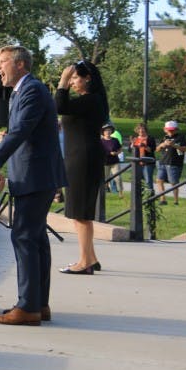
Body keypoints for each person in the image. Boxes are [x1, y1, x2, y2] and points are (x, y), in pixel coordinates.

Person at [0, 45, 65, 325]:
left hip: (35, 175)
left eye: (2, 62)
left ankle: (28, 307)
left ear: (20, 64)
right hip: (34, 174)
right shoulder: (22, 91)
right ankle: (38, 303)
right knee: (35, 239)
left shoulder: (31, 89)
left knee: (24, 237)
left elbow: (22, 130)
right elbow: (23, 132)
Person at [54, 59, 109, 275]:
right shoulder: (87, 101)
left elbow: (59, 105)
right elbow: (61, 106)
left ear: (88, 78)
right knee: (80, 212)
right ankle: (91, 258)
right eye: (72, 77)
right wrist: (65, 83)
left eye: (77, 77)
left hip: (84, 159)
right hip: (80, 158)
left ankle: (84, 262)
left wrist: (62, 81)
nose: (73, 81)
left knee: (81, 214)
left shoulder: (92, 100)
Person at [155, 120, 186, 205]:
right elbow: (157, 150)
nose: (170, 131)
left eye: (172, 129)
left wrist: (174, 145)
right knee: (159, 180)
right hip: (162, 162)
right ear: (165, 129)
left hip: (174, 163)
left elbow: (184, 149)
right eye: (169, 129)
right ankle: (163, 199)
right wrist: (162, 145)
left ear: (176, 129)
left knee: (173, 182)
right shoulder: (164, 137)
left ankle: (176, 201)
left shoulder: (180, 137)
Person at [130, 122, 156, 193]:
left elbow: (152, 150)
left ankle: (150, 196)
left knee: (148, 180)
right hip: (137, 163)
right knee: (138, 180)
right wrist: (132, 143)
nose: (141, 131)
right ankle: (139, 195)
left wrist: (144, 146)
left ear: (146, 130)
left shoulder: (150, 138)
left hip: (148, 163)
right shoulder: (135, 139)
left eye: (143, 130)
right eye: (139, 130)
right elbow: (130, 150)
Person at [100, 123, 122, 194]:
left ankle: (120, 192)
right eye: (106, 130)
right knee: (105, 178)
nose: (108, 132)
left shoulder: (115, 140)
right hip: (105, 162)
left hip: (115, 162)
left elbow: (120, 149)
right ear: (103, 132)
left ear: (111, 131)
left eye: (109, 130)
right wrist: (109, 153)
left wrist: (117, 153)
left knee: (118, 177)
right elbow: (99, 152)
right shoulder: (101, 141)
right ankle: (104, 192)